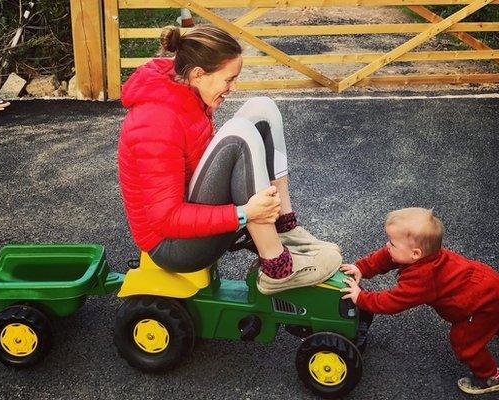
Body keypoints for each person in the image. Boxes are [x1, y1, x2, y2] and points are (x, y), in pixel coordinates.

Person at [117, 24, 341, 295]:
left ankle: (284, 228)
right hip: (174, 246)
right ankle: (277, 269)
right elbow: (166, 219)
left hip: (191, 215)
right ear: (199, 74)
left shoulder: (187, 88)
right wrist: (245, 213)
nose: (234, 87)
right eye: (228, 79)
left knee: (262, 109)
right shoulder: (155, 122)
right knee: (239, 136)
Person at [340, 207, 499, 395]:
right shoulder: (423, 254)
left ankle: (489, 377)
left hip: (478, 303)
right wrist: (361, 267)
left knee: (465, 341)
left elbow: (393, 301)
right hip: (494, 286)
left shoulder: (423, 277)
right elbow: (386, 257)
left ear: (415, 254)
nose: (387, 246)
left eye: (391, 243)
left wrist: (362, 298)